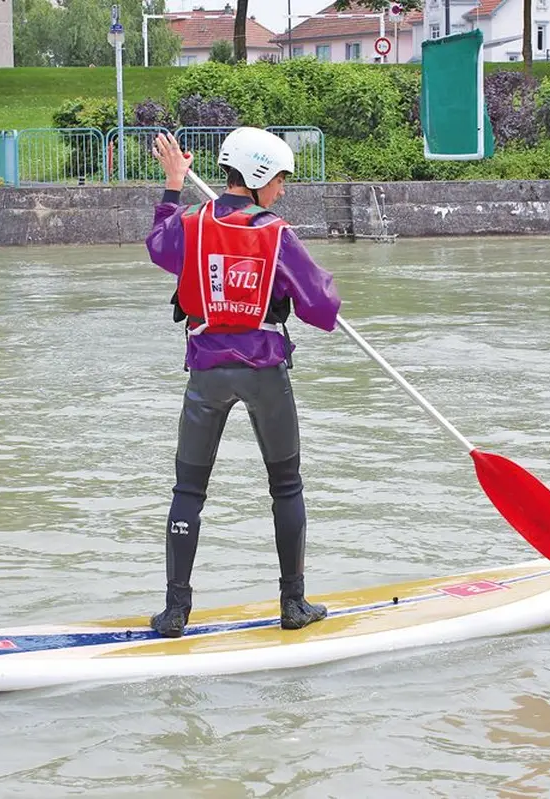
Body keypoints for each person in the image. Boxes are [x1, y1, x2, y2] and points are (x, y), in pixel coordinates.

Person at [144, 127, 341, 638]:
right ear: (257, 177)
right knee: (287, 486)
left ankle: (174, 611)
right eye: (278, 179)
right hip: (263, 371)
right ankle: (293, 603)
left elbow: (159, 249)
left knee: (188, 490)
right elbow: (323, 309)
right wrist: (302, 288)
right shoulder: (277, 234)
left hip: (206, 372)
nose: (281, 189)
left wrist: (172, 186)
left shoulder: (191, 222)